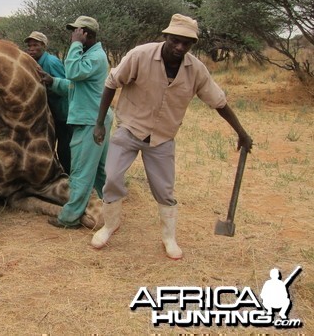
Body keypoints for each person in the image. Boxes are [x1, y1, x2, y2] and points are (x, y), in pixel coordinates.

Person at [91, 14, 253, 258]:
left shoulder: (195, 70)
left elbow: (218, 102)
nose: (180, 47)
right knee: (112, 177)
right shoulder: (140, 56)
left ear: (192, 45)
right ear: (166, 37)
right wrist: (100, 123)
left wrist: (241, 132)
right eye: (175, 40)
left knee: (164, 190)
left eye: (186, 43)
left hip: (162, 137)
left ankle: (169, 237)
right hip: (130, 128)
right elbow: (112, 83)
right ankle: (110, 225)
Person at [39, 16, 113, 229]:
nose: (72, 35)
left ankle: (69, 218)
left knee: (80, 171)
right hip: (95, 119)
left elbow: (73, 72)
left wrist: (75, 44)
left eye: (75, 32)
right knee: (100, 171)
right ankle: (112, 207)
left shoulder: (96, 57)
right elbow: (74, 85)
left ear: (85, 33)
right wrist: (52, 81)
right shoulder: (92, 56)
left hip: (90, 122)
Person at [24, 31, 72, 174]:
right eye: (29, 46)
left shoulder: (51, 62)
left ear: (44, 46)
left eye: (35, 45)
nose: (31, 48)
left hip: (63, 112)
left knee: (64, 147)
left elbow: (66, 87)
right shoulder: (33, 62)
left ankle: (68, 176)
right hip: (49, 113)